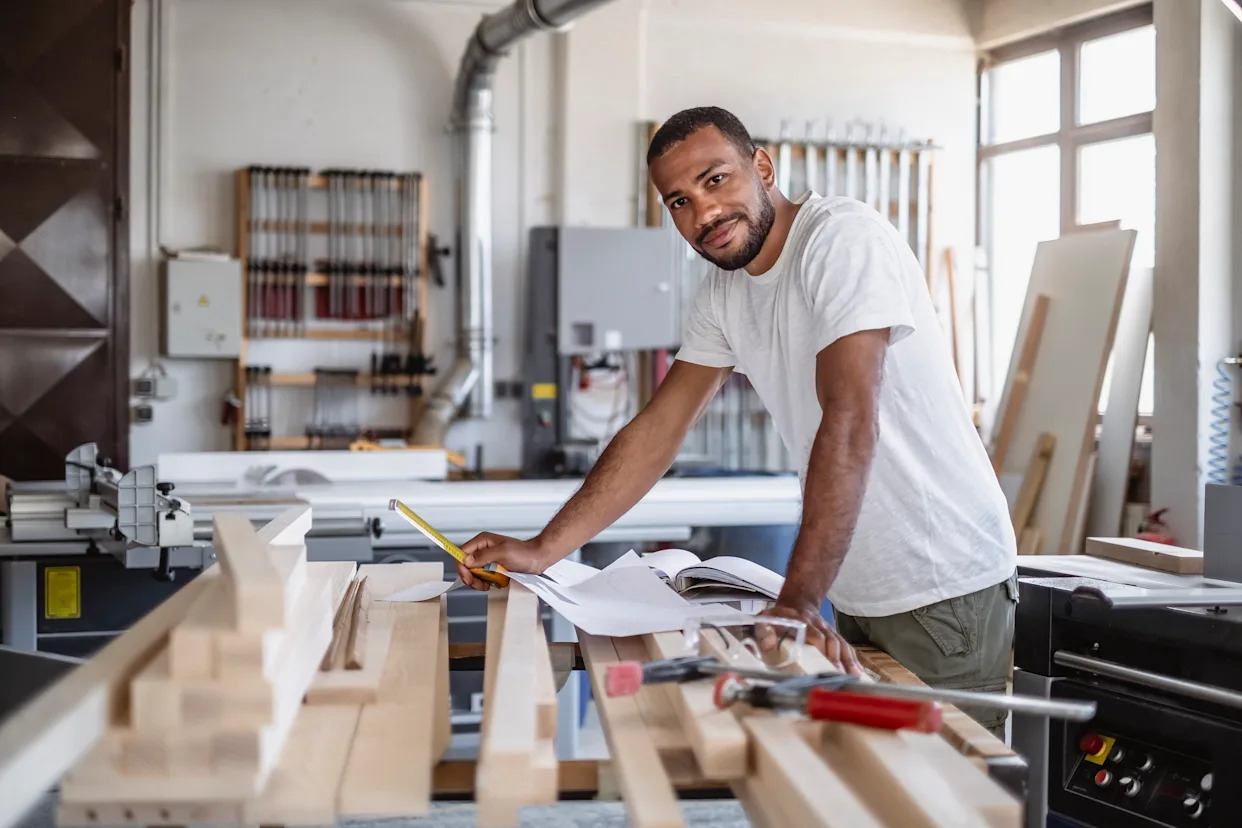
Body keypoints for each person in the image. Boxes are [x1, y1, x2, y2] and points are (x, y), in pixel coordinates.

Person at [458, 106, 1018, 736]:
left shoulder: (840, 240)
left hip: (941, 583)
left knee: (949, 797)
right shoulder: (723, 293)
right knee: (872, 785)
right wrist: (543, 550)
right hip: (859, 585)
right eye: (679, 201)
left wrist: (799, 601)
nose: (703, 214)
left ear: (763, 167)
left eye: (715, 180)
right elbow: (656, 432)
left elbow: (852, 416)